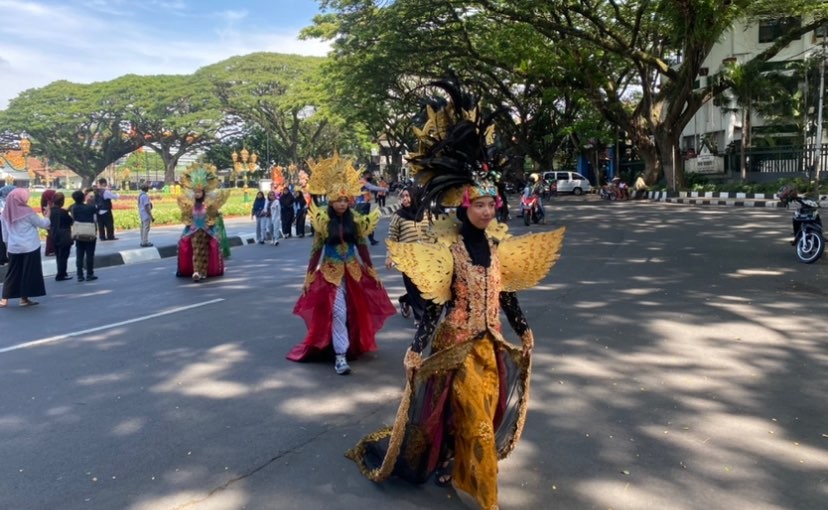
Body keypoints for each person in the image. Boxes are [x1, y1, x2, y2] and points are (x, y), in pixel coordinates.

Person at [346, 79, 565, 510]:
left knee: (483, 411)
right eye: (480, 204)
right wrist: (415, 348)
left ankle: (449, 457)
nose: (488, 210)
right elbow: (435, 304)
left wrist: (523, 329)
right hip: (456, 345)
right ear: (464, 205)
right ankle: (486, 498)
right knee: (477, 422)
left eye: (492, 204)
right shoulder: (450, 248)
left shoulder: (497, 246)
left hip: (491, 345)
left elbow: (505, 295)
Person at [287, 154, 396, 375]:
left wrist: (371, 270)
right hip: (330, 273)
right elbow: (316, 250)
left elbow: (362, 247)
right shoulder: (323, 222)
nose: (342, 204)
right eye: (338, 200)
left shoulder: (355, 220)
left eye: (345, 200)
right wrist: (309, 275)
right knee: (338, 311)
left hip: (353, 272)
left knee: (355, 311)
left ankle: (350, 345)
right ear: (331, 200)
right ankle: (340, 356)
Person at [384, 185, 432, 324]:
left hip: (424, 257)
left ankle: (405, 300)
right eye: (403, 196)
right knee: (412, 286)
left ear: (414, 196)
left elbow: (432, 233)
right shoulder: (398, 216)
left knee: (424, 287)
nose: (405, 199)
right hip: (407, 258)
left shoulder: (425, 213)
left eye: (407, 196)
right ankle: (419, 317)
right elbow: (392, 236)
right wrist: (390, 256)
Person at [176, 166, 230, 282]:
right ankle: (196, 271)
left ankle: (203, 272)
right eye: (195, 191)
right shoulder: (190, 204)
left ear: (203, 192)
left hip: (207, 231)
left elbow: (214, 214)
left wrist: (214, 215)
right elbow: (186, 215)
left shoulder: (209, 203)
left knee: (205, 251)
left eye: (199, 192)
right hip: (194, 230)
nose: (197, 194)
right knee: (195, 250)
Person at [0, 188, 51, 307]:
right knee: (28, 272)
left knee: (12, 273)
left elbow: (5, 234)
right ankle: (24, 299)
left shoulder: (5, 214)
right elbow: (43, 224)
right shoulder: (28, 212)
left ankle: (4, 300)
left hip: (13, 247)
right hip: (30, 246)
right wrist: (48, 214)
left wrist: (8, 247)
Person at [69, 189, 98, 281]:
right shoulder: (90, 207)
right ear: (83, 198)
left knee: (79, 254)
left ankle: (79, 274)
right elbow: (97, 211)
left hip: (79, 233)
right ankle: (89, 273)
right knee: (89, 254)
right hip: (89, 233)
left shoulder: (74, 208)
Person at [354, 174, 388, 245]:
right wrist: (384, 189)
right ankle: (368, 240)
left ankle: (370, 240)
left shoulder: (355, 182)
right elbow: (372, 187)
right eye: (369, 175)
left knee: (365, 222)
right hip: (363, 205)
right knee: (367, 223)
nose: (370, 177)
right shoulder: (362, 182)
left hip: (360, 205)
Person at [49, 192, 74, 281]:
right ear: (61, 201)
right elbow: (70, 221)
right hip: (64, 235)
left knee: (58, 255)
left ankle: (62, 272)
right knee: (64, 255)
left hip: (54, 234)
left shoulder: (50, 211)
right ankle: (61, 274)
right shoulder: (62, 212)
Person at [0, 185, 14, 266]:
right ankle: (3, 258)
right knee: (2, 241)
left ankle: (4, 257)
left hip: (3, 222)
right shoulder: (2, 201)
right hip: (2, 222)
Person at [138, 182, 155, 247]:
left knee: (142, 228)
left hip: (142, 213)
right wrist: (151, 216)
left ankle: (142, 240)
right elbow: (146, 207)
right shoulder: (145, 196)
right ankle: (145, 242)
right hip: (146, 214)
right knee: (146, 228)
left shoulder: (140, 195)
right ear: (146, 189)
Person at [41, 189, 56, 256]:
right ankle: (50, 250)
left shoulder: (44, 200)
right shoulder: (49, 203)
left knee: (51, 234)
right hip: (50, 220)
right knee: (51, 235)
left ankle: (50, 250)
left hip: (48, 219)